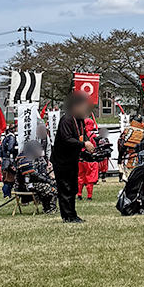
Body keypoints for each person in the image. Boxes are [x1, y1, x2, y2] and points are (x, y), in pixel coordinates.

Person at [52, 92, 96, 223]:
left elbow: (83, 136)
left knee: (72, 188)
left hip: (72, 160)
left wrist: (89, 146)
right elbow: (67, 139)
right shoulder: (66, 119)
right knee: (65, 188)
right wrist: (83, 144)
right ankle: (68, 216)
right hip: (62, 161)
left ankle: (72, 214)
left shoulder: (79, 120)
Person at [15, 140, 58, 213]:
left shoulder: (39, 158)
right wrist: (48, 181)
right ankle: (49, 208)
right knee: (47, 187)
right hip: (25, 186)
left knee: (55, 184)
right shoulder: (24, 160)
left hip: (36, 182)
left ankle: (49, 207)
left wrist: (50, 174)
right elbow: (34, 175)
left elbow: (43, 172)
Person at [78, 116, 101, 199]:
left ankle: (79, 194)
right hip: (90, 160)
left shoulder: (80, 135)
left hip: (80, 160)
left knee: (80, 177)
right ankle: (89, 195)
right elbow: (95, 147)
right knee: (90, 178)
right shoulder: (93, 135)